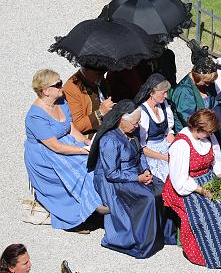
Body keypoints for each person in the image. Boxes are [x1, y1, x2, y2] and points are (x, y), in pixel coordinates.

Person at [88, 101, 175, 259]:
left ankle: (163, 235)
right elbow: (111, 173)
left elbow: (140, 154)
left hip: (136, 173)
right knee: (148, 198)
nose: (137, 126)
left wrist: (146, 170)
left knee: (163, 189)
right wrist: (137, 177)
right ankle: (145, 241)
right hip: (117, 180)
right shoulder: (109, 140)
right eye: (135, 123)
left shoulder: (131, 133)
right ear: (122, 120)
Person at [24, 69, 106, 231]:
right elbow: (55, 146)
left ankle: (93, 204)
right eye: (58, 84)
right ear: (46, 91)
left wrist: (86, 142)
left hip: (64, 144)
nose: (62, 86)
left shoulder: (61, 102)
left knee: (94, 162)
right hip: (46, 154)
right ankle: (75, 219)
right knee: (82, 169)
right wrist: (83, 151)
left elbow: (71, 128)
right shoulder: (35, 116)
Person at [163, 109, 221, 268]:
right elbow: (180, 180)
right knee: (211, 213)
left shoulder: (209, 137)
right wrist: (202, 190)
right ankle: (210, 255)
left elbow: (217, 162)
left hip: (207, 179)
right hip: (186, 186)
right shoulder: (181, 144)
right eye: (207, 131)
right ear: (197, 128)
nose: (210, 134)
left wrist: (219, 180)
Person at [170, 40, 219, 132]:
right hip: (192, 132)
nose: (208, 84)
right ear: (197, 77)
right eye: (205, 82)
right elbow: (189, 119)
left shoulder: (206, 85)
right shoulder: (183, 91)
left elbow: (216, 104)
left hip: (207, 130)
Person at [134, 74, 175, 182]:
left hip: (166, 146)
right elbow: (142, 147)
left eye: (167, 92)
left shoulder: (164, 105)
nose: (166, 96)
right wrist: (163, 157)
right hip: (151, 152)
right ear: (152, 92)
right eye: (163, 93)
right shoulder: (142, 112)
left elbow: (168, 133)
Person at [62, 66, 114, 136]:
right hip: (88, 137)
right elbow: (76, 126)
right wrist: (100, 113)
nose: (102, 77)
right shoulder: (72, 88)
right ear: (86, 69)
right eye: (99, 74)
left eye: (103, 73)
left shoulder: (100, 81)